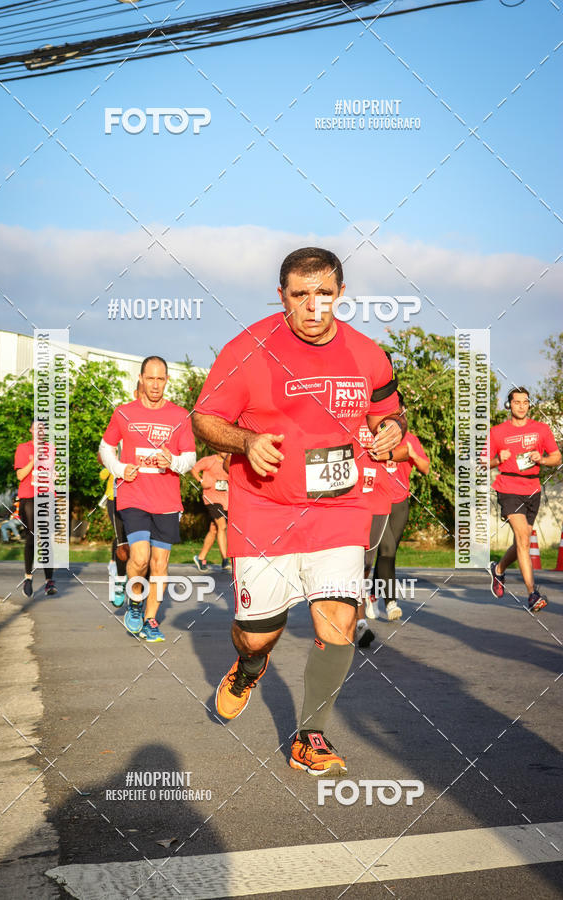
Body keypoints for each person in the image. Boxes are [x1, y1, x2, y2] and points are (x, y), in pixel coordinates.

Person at [193, 247, 405, 776]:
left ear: (341, 295)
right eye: (301, 295)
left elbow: (390, 415)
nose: (314, 307)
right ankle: (247, 668)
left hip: (339, 508)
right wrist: (244, 440)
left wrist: (391, 433)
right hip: (265, 507)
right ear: (282, 296)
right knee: (258, 632)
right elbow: (204, 418)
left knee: (339, 621)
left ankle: (310, 734)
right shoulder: (249, 349)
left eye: (325, 294)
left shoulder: (368, 354)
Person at [99, 356, 196, 641]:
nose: (155, 385)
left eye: (160, 379)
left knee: (160, 564)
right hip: (134, 495)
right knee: (139, 558)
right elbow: (106, 448)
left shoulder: (180, 416)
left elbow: (190, 457)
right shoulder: (124, 413)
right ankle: (136, 603)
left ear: (167, 380)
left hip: (166, 500)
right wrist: (118, 469)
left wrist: (173, 462)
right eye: (150, 378)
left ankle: (151, 620)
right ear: (141, 378)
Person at [488, 387, 561, 612]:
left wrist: (544, 459)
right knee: (522, 537)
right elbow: (483, 462)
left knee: (523, 541)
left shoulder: (541, 429)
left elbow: (557, 456)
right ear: (509, 405)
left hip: (532, 488)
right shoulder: (498, 432)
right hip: (508, 487)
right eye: (517, 402)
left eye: (525, 402)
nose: (521, 405)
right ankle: (532, 594)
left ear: (529, 404)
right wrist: (498, 458)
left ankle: (498, 569)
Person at [353, 418, 409, 643]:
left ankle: (357, 608)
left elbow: (406, 452)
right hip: (349, 498)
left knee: (366, 564)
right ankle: (359, 623)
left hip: (378, 501)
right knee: (352, 561)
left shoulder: (385, 422)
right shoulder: (348, 415)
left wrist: (390, 455)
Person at [371, 431, 430, 620]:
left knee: (388, 554)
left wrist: (412, 454)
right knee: (387, 549)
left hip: (400, 503)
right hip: (376, 501)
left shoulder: (410, 438)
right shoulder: (373, 435)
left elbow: (426, 468)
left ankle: (372, 594)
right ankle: (390, 602)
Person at [14, 422, 57, 597]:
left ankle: (49, 582)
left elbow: (51, 472)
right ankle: (28, 577)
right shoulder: (23, 448)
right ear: (31, 430)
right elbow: (21, 475)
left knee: (46, 537)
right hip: (28, 496)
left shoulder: (52, 449)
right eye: (36, 429)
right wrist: (34, 459)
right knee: (32, 535)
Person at [191, 452, 231, 571]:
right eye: (223, 449)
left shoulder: (229, 462)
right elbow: (193, 469)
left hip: (226, 500)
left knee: (214, 529)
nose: (226, 452)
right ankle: (225, 560)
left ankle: (200, 557)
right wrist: (201, 481)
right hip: (212, 499)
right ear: (218, 449)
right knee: (222, 527)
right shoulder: (209, 460)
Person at [99, 464, 129, 606]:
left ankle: (136, 584)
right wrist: (111, 463)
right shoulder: (112, 456)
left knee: (134, 539)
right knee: (121, 538)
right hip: (114, 498)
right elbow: (102, 475)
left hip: (135, 499)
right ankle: (120, 580)